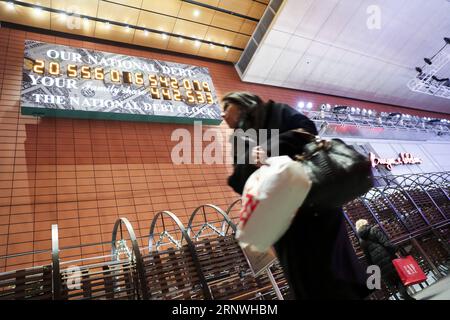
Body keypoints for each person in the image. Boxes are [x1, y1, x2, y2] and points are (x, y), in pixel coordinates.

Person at [221, 91, 370, 299]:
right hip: (283, 218)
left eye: (225, 107)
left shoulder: (278, 111)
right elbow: (238, 180)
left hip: (315, 201)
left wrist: (269, 149)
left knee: (335, 269)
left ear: (242, 103)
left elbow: (307, 132)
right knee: (306, 278)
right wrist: (249, 160)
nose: (222, 114)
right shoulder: (238, 139)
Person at [355, 219, 415, 300]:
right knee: (399, 277)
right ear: (366, 223)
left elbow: (367, 256)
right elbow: (386, 243)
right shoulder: (374, 230)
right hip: (387, 257)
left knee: (394, 279)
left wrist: (372, 267)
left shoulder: (361, 240)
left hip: (378, 262)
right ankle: (404, 295)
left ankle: (406, 296)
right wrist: (396, 249)